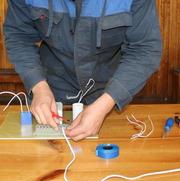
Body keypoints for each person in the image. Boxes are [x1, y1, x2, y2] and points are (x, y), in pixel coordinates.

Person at [4, 0, 162, 141]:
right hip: (50, 92)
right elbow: (18, 36)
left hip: (110, 95)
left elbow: (145, 49)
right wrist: (38, 87)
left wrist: (105, 104)